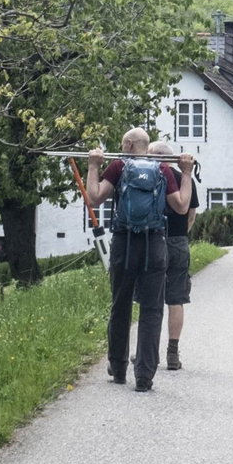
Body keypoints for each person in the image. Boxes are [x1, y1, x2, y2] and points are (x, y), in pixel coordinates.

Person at [86, 128, 193, 392]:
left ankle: (118, 368)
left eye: (123, 143)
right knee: (152, 309)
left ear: (129, 144)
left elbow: (95, 197)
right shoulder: (163, 170)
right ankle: (144, 375)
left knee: (120, 305)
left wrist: (93, 166)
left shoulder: (118, 166)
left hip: (124, 243)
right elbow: (181, 206)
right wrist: (186, 173)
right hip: (154, 243)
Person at [151, 141, 201, 370]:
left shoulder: (147, 177)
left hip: (152, 241)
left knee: (150, 298)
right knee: (176, 298)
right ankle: (172, 353)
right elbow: (191, 214)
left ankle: (148, 351)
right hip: (178, 241)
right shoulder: (184, 178)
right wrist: (181, 235)